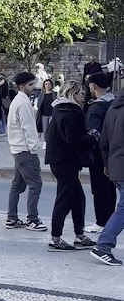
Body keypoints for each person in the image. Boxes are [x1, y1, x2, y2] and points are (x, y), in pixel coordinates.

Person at [45, 81, 95, 251]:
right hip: (64, 161)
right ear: (72, 94)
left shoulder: (62, 109)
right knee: (65, 199)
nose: (83, 95)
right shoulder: (69, 112)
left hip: (62, 161)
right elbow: (74, 139)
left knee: (77, 197)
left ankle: (79, 235)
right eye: (80, 92)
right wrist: (91, 137)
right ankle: (55, 238)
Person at [6, 71, 47, 231]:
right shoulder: (23, 103)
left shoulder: (18, 100)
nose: (34, 87)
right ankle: (32, 219)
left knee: (17, 185)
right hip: (25, 149)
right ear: (22, 86)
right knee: (35, 184)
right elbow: (28, 128)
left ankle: (12, 217)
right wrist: (34, 148)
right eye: (31, 85)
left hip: (18, 148)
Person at [91, 85, 124, 265]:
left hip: (114, 163)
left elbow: (104, 140)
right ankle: (103, 245)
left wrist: (106, 163)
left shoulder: (112, 108)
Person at [85, 71, 116, 233]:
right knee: (110, 188)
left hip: (99, 155)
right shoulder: (115, 103)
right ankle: (111, 220)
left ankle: (101, 221)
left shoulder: (96, 108)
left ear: (93, 86)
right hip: (116, 152)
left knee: (99, 188)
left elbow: (93, 133)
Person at [36, 79, 55, 144]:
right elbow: (39, 104)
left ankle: (51, 142)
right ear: (44, 85)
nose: (47, 85)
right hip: (44, 114)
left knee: (52, 129)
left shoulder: (54, 94)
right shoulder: (42, 95)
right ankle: (45, 142)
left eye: (49, 84)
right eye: (46, 84)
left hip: (52, 114)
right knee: (45, 129)